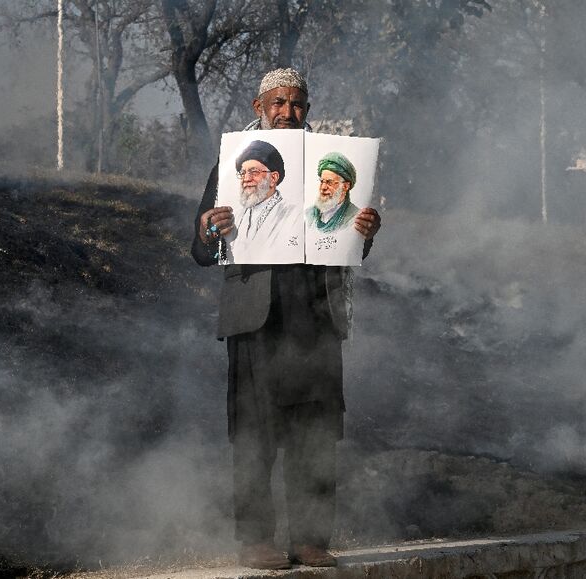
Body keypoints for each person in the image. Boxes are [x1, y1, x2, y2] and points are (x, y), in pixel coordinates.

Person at [191, 68, 381, 570]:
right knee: (254, 434)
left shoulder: (331, 164)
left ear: (308, 109)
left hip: (316, 317)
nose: (287, 112)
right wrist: (211, 228)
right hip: (256, 320)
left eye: (296, 104)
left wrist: (364, 228)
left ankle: (312, 539)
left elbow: (344, 240)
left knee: (315, 434)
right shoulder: (234, 163)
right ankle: (254, 541)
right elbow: (199, 246)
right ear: (259, 108)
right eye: (277, 103)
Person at [228, 140, 300, 259]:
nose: (246, 178)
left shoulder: (294, 215)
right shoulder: (235, 216)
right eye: (243, 173)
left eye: (254, 172)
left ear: (273, 178)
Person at [306, 152, 360, 234]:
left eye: (329, 182)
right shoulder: (308, 214)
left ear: (345, 186)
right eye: (322, 181)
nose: (323, 187)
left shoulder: (355, 219)